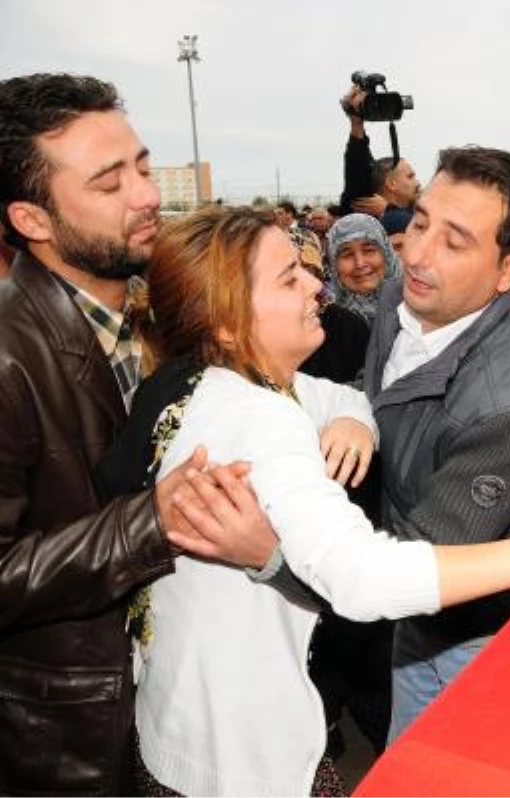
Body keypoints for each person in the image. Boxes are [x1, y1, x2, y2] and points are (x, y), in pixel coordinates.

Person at [101, 205, 510, 796]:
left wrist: (354, 421)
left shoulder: (202, 378)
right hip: (243, 762)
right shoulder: (257, 420)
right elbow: (365, 578)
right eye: (289, 278)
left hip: (177, 723)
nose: (317, 284)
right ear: (229, 324)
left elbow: (335, 396)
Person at [0, 73, 276, 794]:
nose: (148, 195)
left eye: (144, 167)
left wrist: (348, 412)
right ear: (32, 221)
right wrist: (149, 521)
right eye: (108, 182)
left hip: (184, 708)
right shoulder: (7, 357)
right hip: (76, 742)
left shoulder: (162, 315)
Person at [362, 147, 510, 738]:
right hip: (421, 621)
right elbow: (377, 401)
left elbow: (413, 571)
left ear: (508, 268)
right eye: (419, 223)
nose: (416, 254)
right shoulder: (403, 297)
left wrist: (267, 550)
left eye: (455, 241)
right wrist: (344, 412)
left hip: (492, 636)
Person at [338, 84, 421, 217]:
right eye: (410, 176)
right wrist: (356, 122)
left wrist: (388, 210)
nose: (418, 183)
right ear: (391, 183)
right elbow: (358, 164)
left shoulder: (420, 217)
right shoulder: (366, 216)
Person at [325, 212, 401, 326]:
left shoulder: (417, 312)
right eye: (347, 254)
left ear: (386, 253)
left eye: (369, 250)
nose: (360, 263)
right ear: (334, 264)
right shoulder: (325, 324)